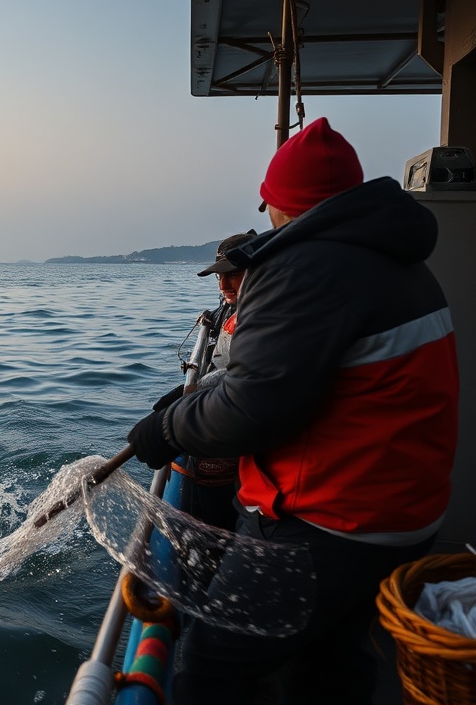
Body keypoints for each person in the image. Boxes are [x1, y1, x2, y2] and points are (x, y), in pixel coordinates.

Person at [126, 117, 459, 704]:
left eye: (269, 203)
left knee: (209, 665)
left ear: (285, 203)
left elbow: (252, 408)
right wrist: (193, 401)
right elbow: (304, 375)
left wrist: (168, 429)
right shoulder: (402, 262)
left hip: (329, 526)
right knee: (331, 660)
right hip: (405, 516)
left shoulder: (305, 266)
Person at [153, 230, 257, 531]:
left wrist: (191, 391)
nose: (223, 285)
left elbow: (247, 373)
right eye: (219, 277)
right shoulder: (237, 312)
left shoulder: (267, 320)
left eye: (233, 274)